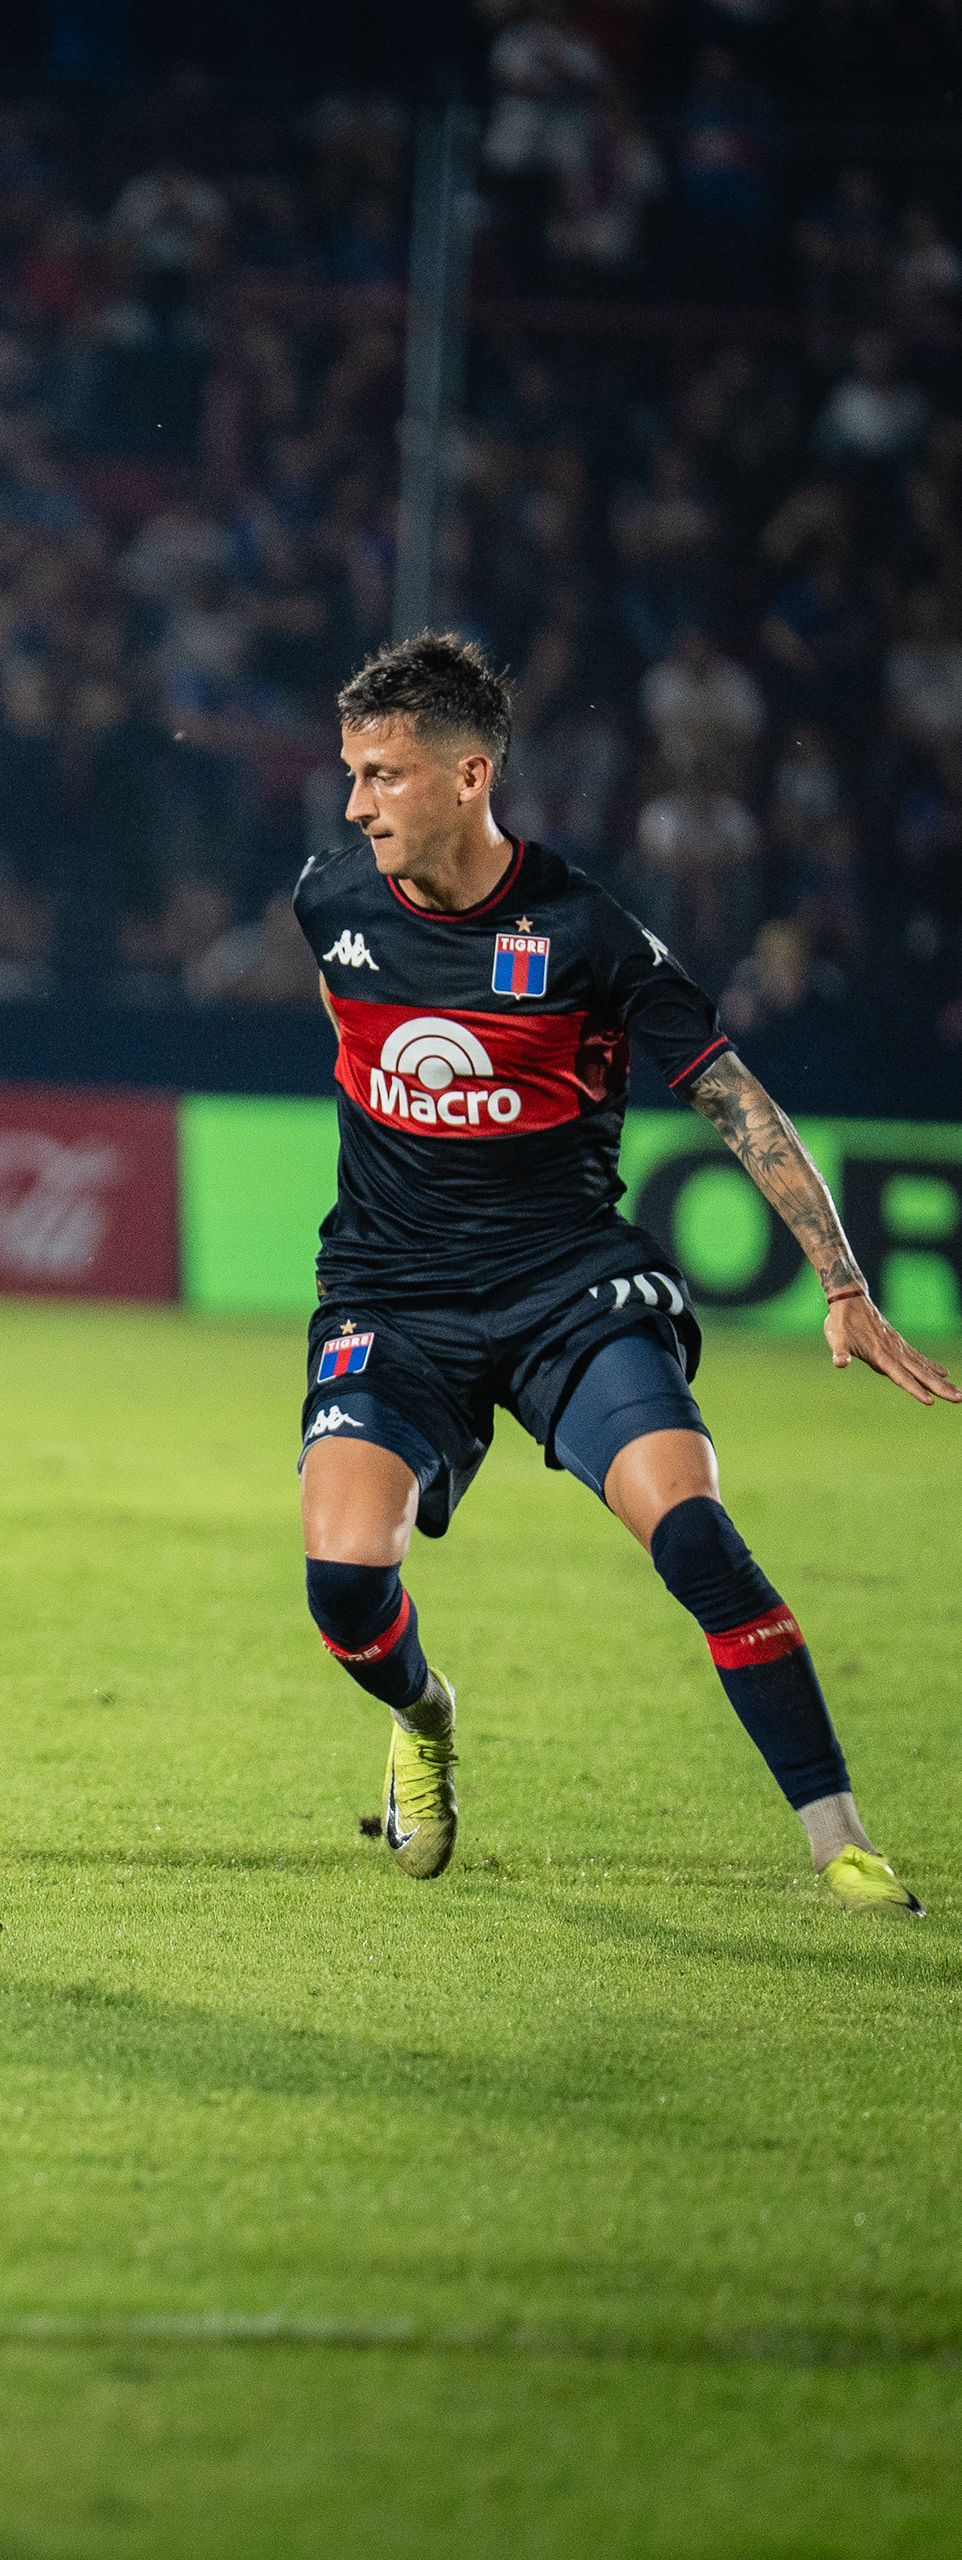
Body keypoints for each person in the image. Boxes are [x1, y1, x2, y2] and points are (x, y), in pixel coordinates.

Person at [294, 633, 950, 1915]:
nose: (358, 803)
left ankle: (840, 1842)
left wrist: (844, 1283)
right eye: (353, 775)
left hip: (567, 1291)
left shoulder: (586, 932)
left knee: (693, 1527)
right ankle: (424, 1712)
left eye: (384, 775)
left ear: (471, 774)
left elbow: (732, 1098)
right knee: (342, 1583)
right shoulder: (330, 900)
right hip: (392, 1296)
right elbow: (355, 1041)